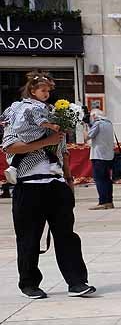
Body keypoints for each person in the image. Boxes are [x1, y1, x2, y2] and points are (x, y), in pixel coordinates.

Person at [3, 71, 95, 299]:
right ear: (32, 90)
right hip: (29, 185)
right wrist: (46, 141)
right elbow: (10, 147)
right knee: (29, 237)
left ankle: (76, 282)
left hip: (55, 185)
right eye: (42, 90)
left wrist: (68, 180)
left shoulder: (55, 115)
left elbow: (63, 151)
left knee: (67, 236)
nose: (47, 94)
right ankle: (29, 284)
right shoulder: (18, 114)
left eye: (49, 90)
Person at [86, 109, 116, 210]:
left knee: (99, 179)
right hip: (108, 155)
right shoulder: (108, 123)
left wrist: (85, 126)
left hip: (98, 155)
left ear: (94, 116)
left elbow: (87, 136)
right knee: (107, 179)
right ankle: (109, 201)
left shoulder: (98, 123)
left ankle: (103, 202)